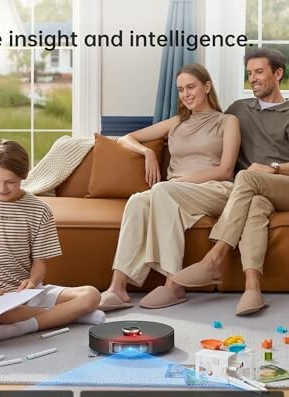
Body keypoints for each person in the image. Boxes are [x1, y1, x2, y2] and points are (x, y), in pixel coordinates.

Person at [99, 63, 241, 311]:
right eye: (181, 89)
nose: (186, 94)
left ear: (206, 87)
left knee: (163, 191)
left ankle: (174, 284)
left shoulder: (227, 122)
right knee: (136, 201)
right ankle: (117, 288)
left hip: (215, 190)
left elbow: (226, 170)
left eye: (191, 87)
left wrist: (179, 182)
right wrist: (147, 153)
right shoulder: (176, 122)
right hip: (175, 193)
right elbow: (126, 139)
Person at [171, 48, 289, 316]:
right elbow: (210, 128)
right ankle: (252, 288)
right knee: (256, 204)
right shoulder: (239, 109)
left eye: (260, 71)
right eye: (250, 73)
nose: (254, 78)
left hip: (283, 183)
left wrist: (273, 169)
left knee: (246, 176)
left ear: (278, 73)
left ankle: (214, 258)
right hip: (253, 192)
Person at [0, 140, 104, 345]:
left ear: (25, 175)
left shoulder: (39, 210)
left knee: (91, 295)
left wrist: (32, 282)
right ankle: (71, 315)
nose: (1, 188)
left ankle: (20, 328)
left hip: (27, 293)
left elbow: (40, 263)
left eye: (10, 182)